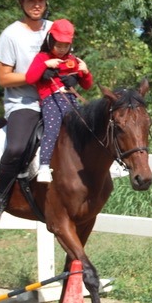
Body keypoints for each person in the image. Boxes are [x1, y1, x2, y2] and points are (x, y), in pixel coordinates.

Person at [0, 0, 53, 227]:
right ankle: (0, 200)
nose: (36, 4)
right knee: (16, 148)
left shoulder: (54, 29)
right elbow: (3, 78)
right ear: (21, 2)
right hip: (23, 104)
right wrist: (35, 77)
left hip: (53, 100)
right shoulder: (10, 35)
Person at [25, 18, 93, 183]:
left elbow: (87, 86)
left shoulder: (72, 60)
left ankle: (94, 162)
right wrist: (45, 66)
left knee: (86, 128)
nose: (62, 49)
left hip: (70, 99)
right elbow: (29, 78)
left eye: (66, 46)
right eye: (58, 45)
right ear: (50, 41)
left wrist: (84, 73)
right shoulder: (42, 58)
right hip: (51, 100)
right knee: (52, 129)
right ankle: (44, 166)